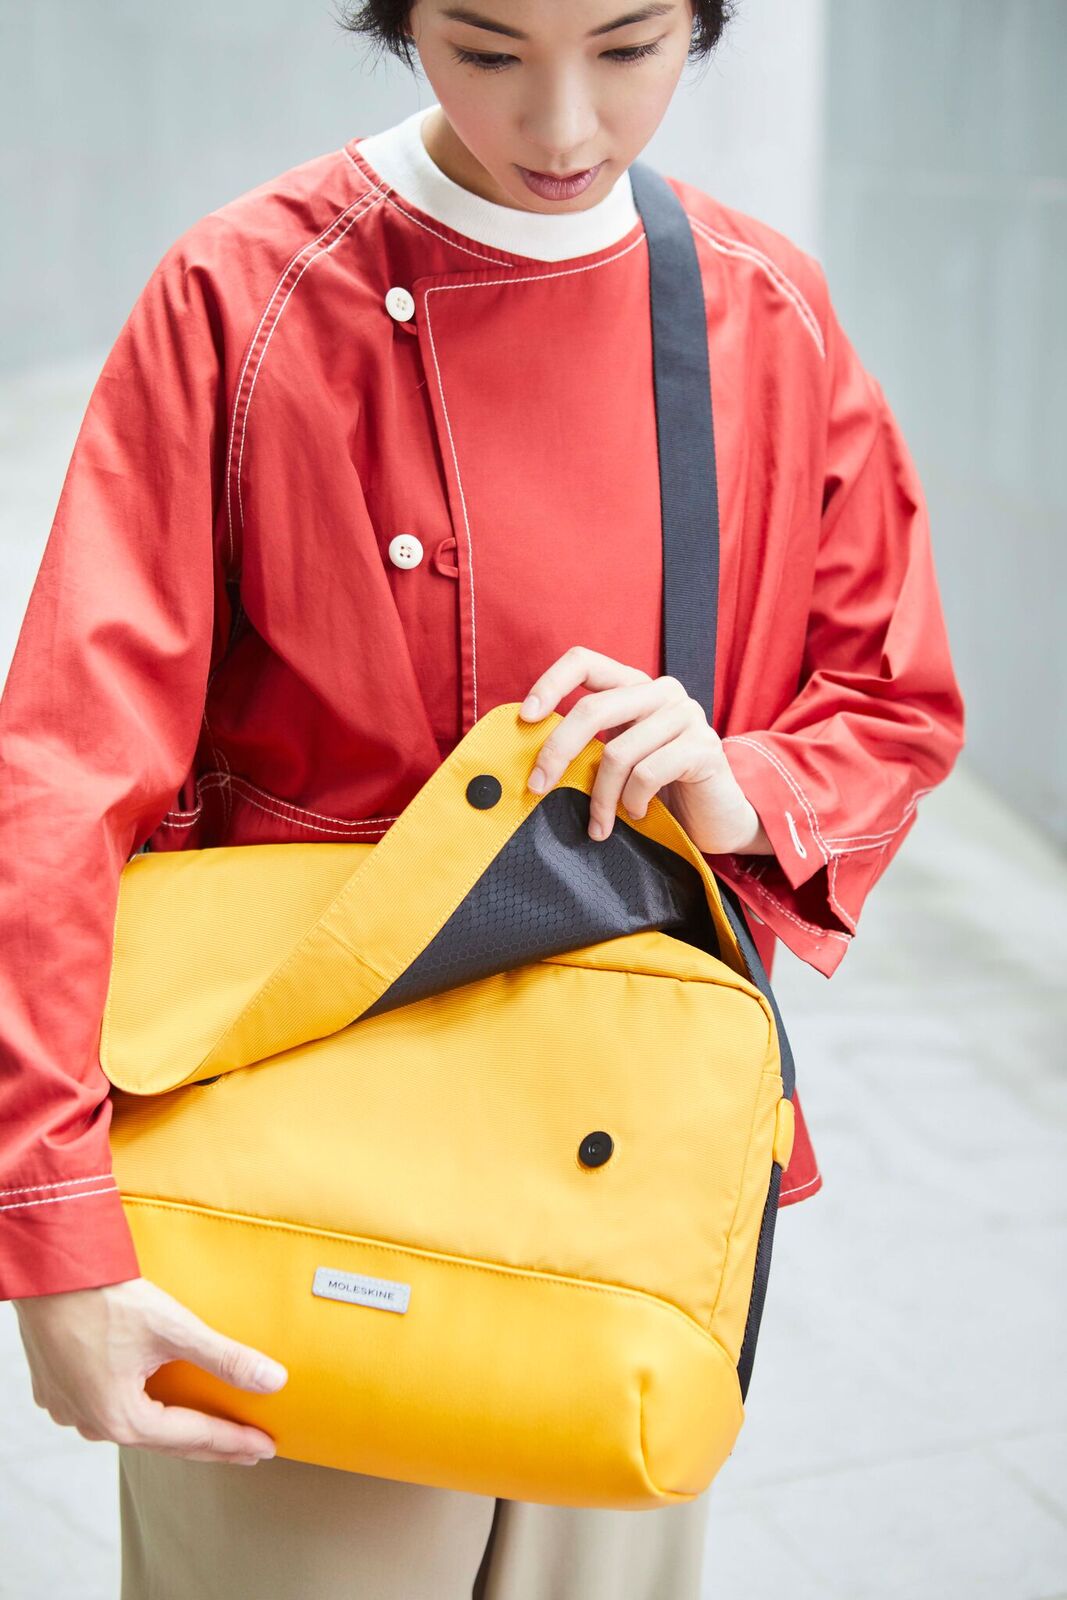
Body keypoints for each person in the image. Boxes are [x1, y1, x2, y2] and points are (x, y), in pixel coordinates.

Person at [0, 0, 966, 1595]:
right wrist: (51, 1227)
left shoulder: (762, 314)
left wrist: (742, 785)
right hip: (297, 1183)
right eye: (490, 50)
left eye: (631, 48)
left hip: (623, 1194)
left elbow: (891, 699)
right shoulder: (246, 296)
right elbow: (60, 776)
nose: (564, 124)